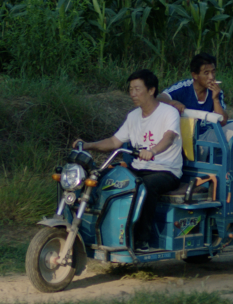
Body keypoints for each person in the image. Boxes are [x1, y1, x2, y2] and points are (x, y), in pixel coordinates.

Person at [73, 69, 181, 249]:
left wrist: (152, 151)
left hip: (166, 170)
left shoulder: (169, 113)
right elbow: (114, 141)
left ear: (151, 90)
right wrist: (88, 145)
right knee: (105, 179)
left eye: (137, 89)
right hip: (139, 168)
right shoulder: (133, 116)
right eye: (131, 89)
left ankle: (141, 239)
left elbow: (169, 137)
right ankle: (101, 230)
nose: (133, 94)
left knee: (144, 186)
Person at [157, 52, 228, 120]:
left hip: (208, 131)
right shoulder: (184, 87)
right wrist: (174, 103)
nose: (211, 77)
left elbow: (222, 122)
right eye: (206, 73)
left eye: (213, 72)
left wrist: (216, 99)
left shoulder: (217, 91)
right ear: (195, 75)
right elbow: (158, 98)